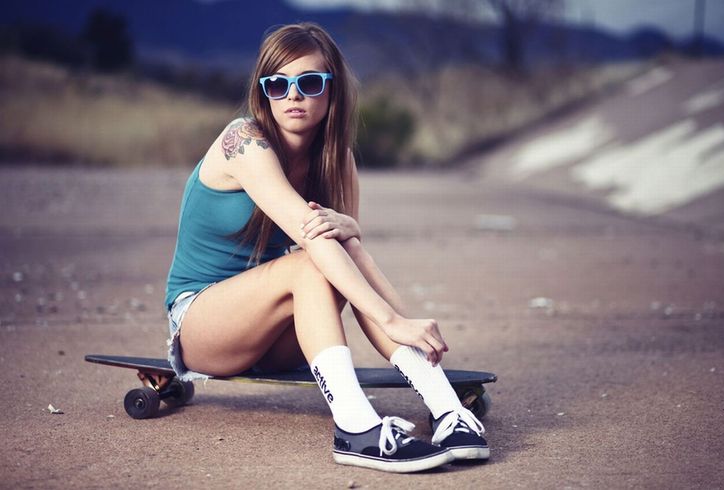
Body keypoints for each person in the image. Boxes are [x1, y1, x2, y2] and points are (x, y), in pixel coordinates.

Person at [164, 22, 488, 473]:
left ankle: (448, 411)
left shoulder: (336, 158)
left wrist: (350, 228)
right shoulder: (244, 142)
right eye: (278, 84)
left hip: (279, 335)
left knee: (340, 249)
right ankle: (355, 429)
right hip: (204, 326)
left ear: (332, 89)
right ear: (263, 92)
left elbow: (347, 253)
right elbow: (309, 237)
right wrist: (392, 320)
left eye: (309, 82)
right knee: (312, 259)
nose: (293, 96)